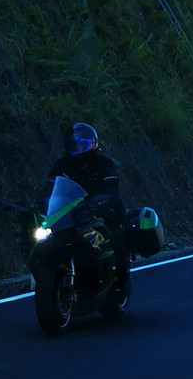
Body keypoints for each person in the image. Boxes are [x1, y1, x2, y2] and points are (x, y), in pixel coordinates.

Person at [43, 121, 130, 296]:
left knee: (115, 239)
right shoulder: (62, 165)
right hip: (71, 212)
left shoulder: (104, 163)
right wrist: (41, 204)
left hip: (104, 210)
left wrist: (100, 202)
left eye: (83, 144)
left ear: (92, 144)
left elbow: (111, 188)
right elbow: (49, 189)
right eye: (73, 144)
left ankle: (122, 279)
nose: (78, 149)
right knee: (46, 240)